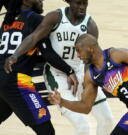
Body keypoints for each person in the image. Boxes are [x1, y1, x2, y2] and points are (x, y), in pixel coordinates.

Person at [4, 0, 114, 135]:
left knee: (107, 119)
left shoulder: (90, 25)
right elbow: (36, 40)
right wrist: (16, 55)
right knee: (83, 125)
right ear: (69, 2)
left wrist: (88, 82)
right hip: (56, 74)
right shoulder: (55, 17)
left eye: (85, 3)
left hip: (79, 72)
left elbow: (92, 59)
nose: (82, 7)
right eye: (78, 3)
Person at [48, 34, 128, 135]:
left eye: (78, 50)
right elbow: (86, 106)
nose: (78, 55)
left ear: (89, 48)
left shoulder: (115, 55)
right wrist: (62, 101)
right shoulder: (91, 75)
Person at [0, 0, 78, 135]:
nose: (41, 0)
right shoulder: (36, 20)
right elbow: (48, 53)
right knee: (46, 131)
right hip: (16, 82)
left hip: (2, 77)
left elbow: (23, 55)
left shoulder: (8, 19)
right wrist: (69, 70)